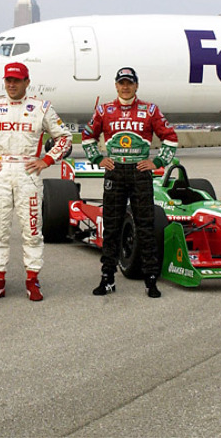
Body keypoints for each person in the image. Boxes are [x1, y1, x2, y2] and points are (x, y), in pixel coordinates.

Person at [0, 62, 72, 301]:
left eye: (16, 80)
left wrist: (47, 160)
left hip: (28, 173)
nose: (11, 85)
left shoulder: (41, 107)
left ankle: (33, 281)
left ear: (27, 82)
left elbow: (64, 137)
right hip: (0, 172)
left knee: (32, 230)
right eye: (8, 80)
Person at [81, 67, 179, 298]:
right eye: (121, 83)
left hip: (139, 172)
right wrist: (97, 158)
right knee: (112, 226)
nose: (125, 87)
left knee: (145, 227)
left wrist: (157, 163)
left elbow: (170, 138)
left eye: (129, 83)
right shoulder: (104, 109)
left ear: (136, 86)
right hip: (115, 172)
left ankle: (151, 280)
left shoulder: (150, 109)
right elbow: (87, 136)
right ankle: (107, 279)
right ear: (116, 85)